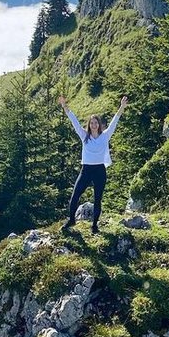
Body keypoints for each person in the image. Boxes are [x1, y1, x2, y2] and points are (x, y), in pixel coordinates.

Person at [58, 94, 128, 234]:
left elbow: (115, 120)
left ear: (99, 125)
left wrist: (122, 107)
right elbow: (74, 122)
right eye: (92, 123)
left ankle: (95, 226)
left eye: (96, 123)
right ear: (89, 125)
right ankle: (72, 220)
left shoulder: (105, 136)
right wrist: (65, 106)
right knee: (75, 195)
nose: (94, 125)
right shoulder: (85, 136)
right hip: (86, 170)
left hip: (99, 171)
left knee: (97, 199)